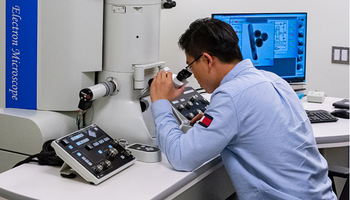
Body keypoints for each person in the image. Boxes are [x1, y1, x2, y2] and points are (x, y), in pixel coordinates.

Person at [150, 18, 336, 200]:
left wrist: (160, 102)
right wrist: (214, 123)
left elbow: (181, 157)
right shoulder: (273, 79)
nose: (193, 75)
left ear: (207, 60)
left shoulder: (231, 96)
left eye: (191, 66)